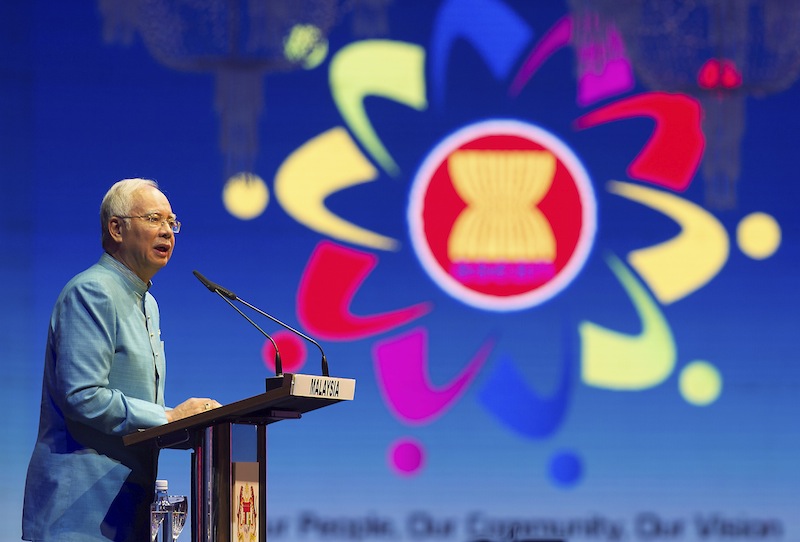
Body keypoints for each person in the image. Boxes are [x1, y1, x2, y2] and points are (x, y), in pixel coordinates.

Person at [22, 178, 222, 541]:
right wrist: (168, 417)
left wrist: (186, 424)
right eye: (154, 219)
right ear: (116, 228)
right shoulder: (92, 291)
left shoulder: (148, 303)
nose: (167, 231)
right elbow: (83, 397)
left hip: (128, 510)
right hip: (79, 512)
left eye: (172, 222)